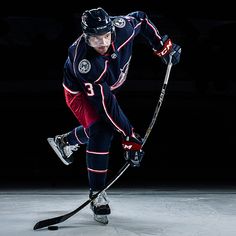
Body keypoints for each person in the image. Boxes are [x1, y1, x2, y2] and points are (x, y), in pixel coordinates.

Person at [47, 7, 181, 224]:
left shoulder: (123, 28)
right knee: (102, 129)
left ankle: (66, 142)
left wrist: (161, 47)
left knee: (103, 126)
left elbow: (141, 19)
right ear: (85, 36)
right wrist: (128, 135)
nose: (102, 43)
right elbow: (105, 106)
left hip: (108, 84)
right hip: (80, 93)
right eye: (95, 39)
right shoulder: (85, 64)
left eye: (106, 36)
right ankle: (97, 193)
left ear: (112, 29)